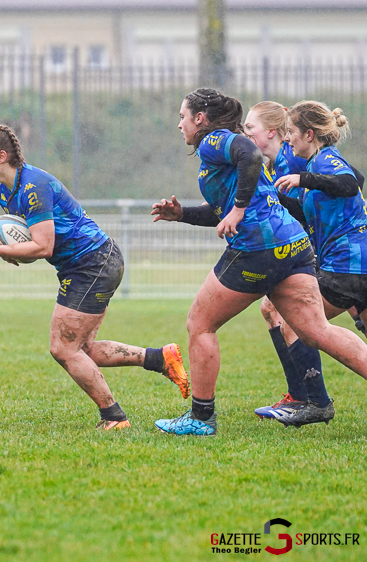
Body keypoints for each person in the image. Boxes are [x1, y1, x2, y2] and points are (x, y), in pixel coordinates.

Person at [152, 88, 367, 436]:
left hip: (258, 248)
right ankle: (306, 398)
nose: (180, 125)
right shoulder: (230, 151)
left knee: (200, 324)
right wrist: (181, 215)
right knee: (316, 331)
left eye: (182, 117)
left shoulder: (213, 141)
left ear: (200, 119)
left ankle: (201, 418)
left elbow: (249, 158)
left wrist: (237, 210)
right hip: (293, 245)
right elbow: (229, 205)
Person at [0, 124, 190, 430]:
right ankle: (160, 358)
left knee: (63, 349)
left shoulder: (33, 186)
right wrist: (10, 251)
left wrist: (1, 249)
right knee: (82, 349)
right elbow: (36, 241)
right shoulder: (2, 189)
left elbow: (43, 246)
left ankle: (114, 418)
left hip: (94, 262)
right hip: (83, 265)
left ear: (1, 156)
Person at [270, 101, 367, 426]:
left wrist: (304, 179)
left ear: (309, 134)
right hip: (354, 263)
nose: (289, 141)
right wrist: (273, 196)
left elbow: (350, 183)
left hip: (347, 265)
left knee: (295, 323)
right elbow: (305, 212)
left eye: (292, 134)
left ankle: (317, 402)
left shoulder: (325, 160)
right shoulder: (315, 164)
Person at [242, 101, 334, 424]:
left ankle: (313, 399)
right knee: (272, 310)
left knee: (287, 313)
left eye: (249, 128)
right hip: (315, 252)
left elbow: (354, 180)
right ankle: (300, 397)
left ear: (271, 132)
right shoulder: (270, 166)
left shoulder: (292, 158)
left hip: (328, 253)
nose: (244, 134)